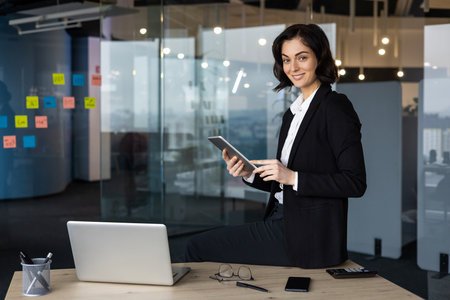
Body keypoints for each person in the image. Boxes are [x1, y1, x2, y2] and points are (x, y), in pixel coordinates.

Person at [185, 24, 366, 269]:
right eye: (286, 59)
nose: (293, 67)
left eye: (302, 57)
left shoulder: (335, 107)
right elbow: (284, 182)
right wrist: (249, 173)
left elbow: (354, 182)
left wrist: (293, 177)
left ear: (319, 58)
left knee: (197, 247)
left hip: (307, 237)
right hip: (281, 221)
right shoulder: (292, 114)